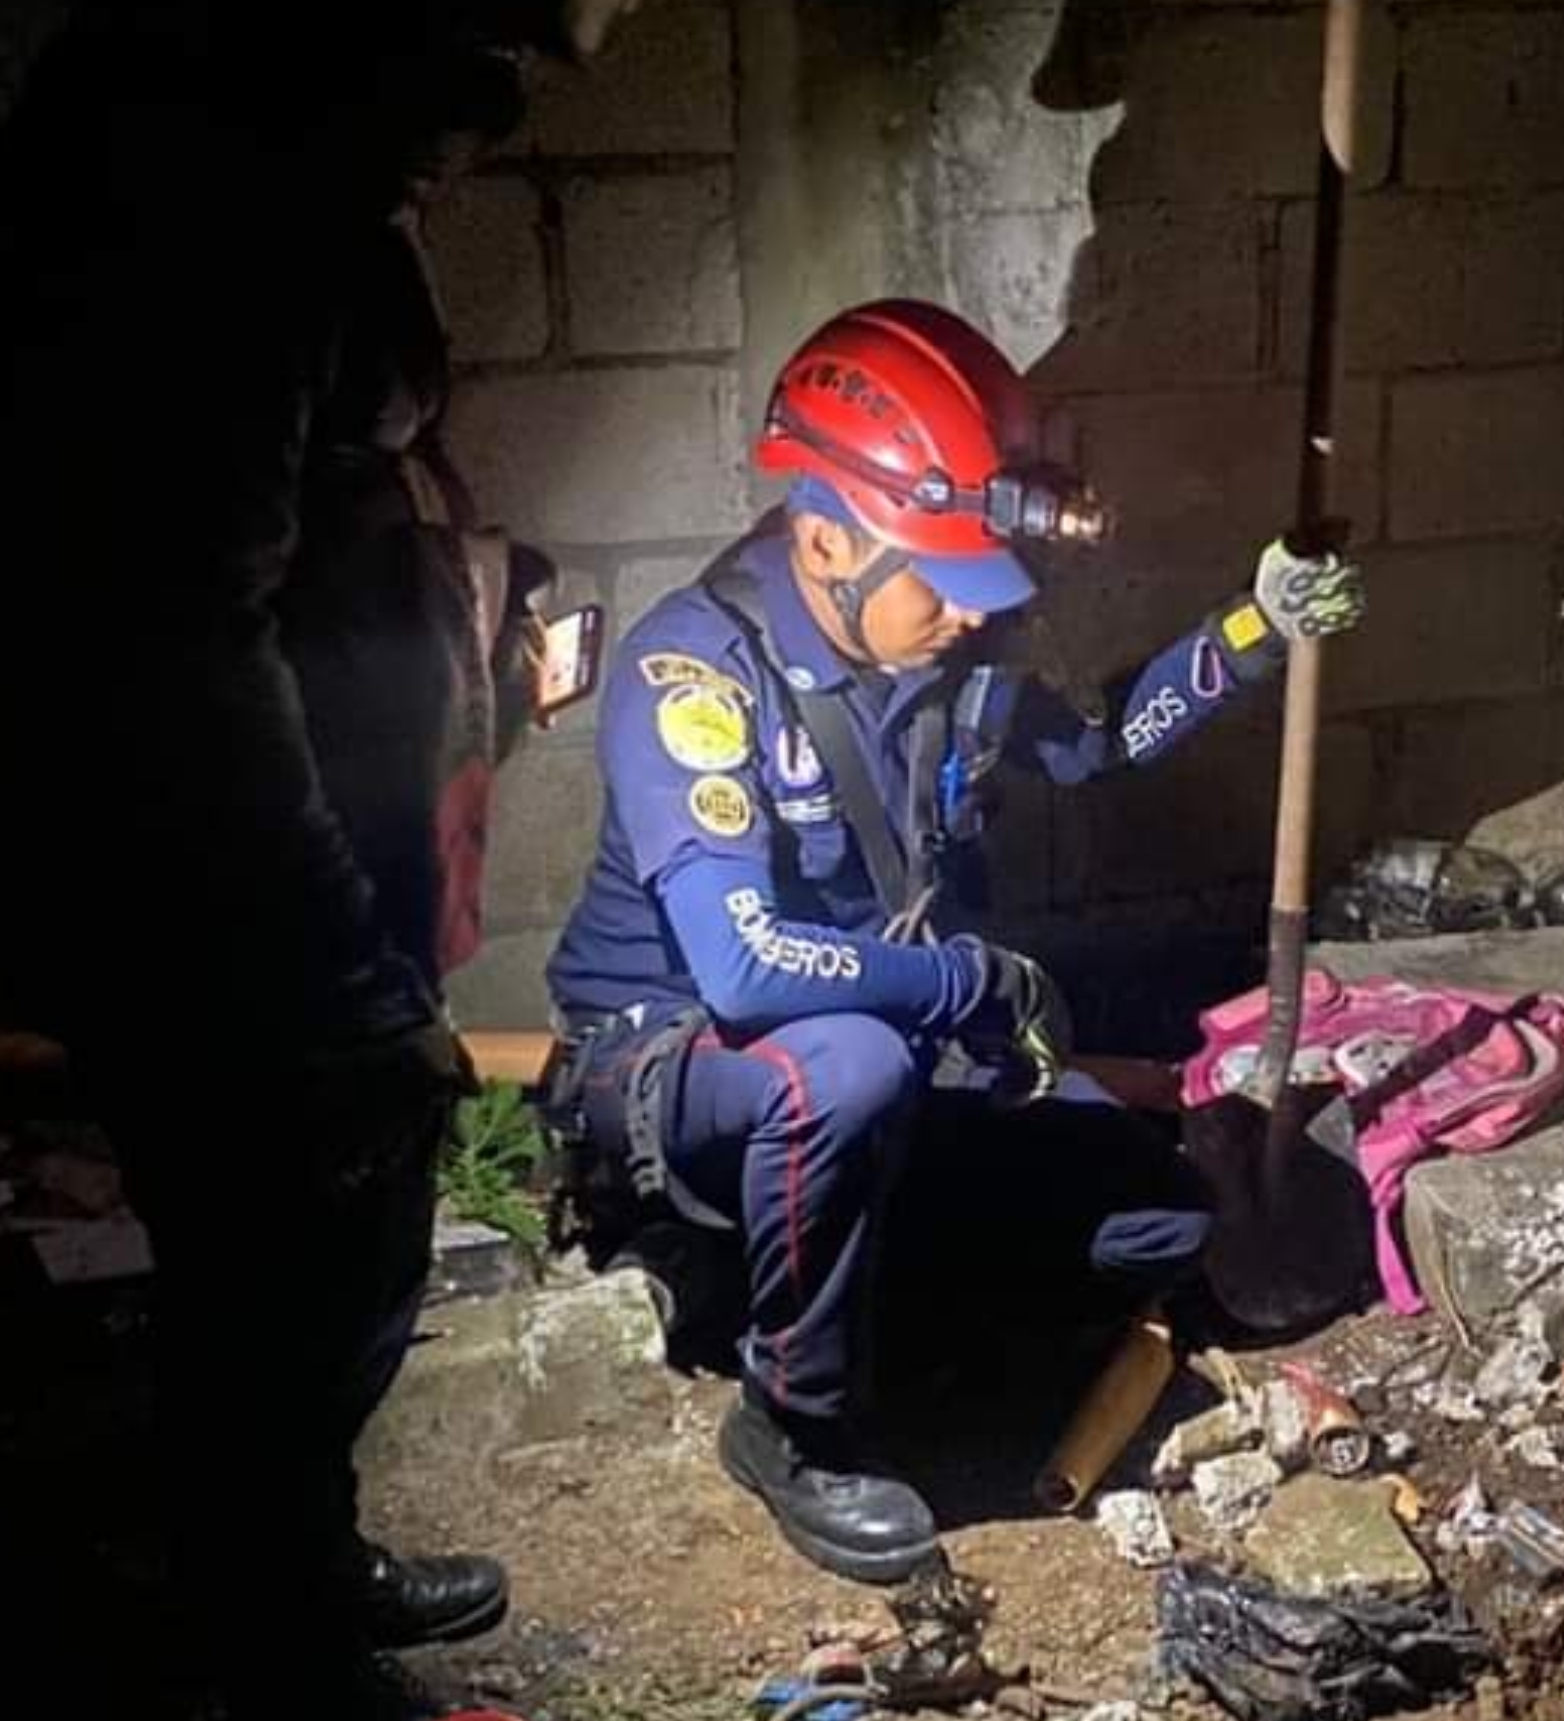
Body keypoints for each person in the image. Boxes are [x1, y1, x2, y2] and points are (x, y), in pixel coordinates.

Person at [0, 5, 642, 1717]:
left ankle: (285, 1569)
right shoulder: (210, 186)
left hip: (305, 870)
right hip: (232, 910)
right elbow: (174, 633)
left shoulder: (280, 166)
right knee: (293, 1258)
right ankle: (269, 1641)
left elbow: (303, 531)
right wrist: (336, 980)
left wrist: (475, 621)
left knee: (289, 1256)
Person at [541, 298, 1365, 1582]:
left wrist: (1249, 630)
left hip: (887, 1048)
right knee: (845, 1067)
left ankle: (825, 1286)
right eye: (943, 579)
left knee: (1155, 1222)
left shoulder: (951, 660)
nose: (970, 615)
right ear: (824, 539)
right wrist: (969, 979)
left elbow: (1095, 745)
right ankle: (792, 1422)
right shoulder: (693, 676)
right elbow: (745, 968)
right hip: (680, 1060)